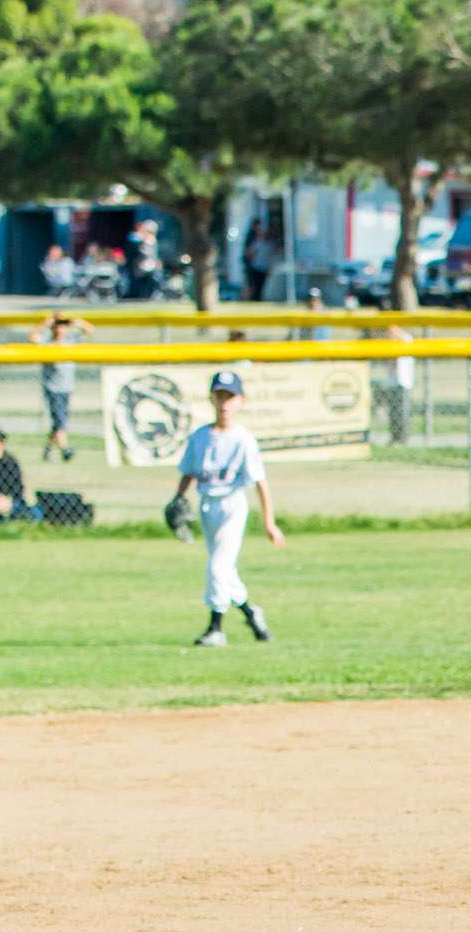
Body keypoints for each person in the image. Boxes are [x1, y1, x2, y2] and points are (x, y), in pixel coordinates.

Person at [172, 368, 284, 647]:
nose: (225, 403)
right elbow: (188, 472)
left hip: (233, 505)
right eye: (220, 396)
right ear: (212, 398)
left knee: (218, 566)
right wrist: (177, 498)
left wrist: (269, 523)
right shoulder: (200, 437)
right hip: (207, 506)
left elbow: (260, 482)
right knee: (224, 570)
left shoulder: (243, 439)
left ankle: (215, 629)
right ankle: (250, 613)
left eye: (230, 397)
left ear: (241, 401)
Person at [29, 312, 93, 463]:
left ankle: (48, 449)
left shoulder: (70, 341)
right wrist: (46, 322)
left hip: (67, 387)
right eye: (57, 326)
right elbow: (32, 337)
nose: (60, 329)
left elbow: (90, 330)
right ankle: (65, 450)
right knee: (60, 420)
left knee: (59, 421)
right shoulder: (47, 342)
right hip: (53, 387)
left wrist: (73, 321)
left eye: (62, 326)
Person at [123, 218, 161, 300]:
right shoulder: (142, 239)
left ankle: (145, 296)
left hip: (146, 266)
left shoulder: (149, 240)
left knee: (146, 284)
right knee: (140, 283)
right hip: (141, 266)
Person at [243, 219, 275, 302]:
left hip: (264, 267)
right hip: (255, 266)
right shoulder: (253, 238)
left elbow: (271, 254)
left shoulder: (269, 243)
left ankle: (257, 298)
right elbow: (249, 252)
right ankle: (251, 299)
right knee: (253, 285)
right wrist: (251, 261)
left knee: (260, 286)